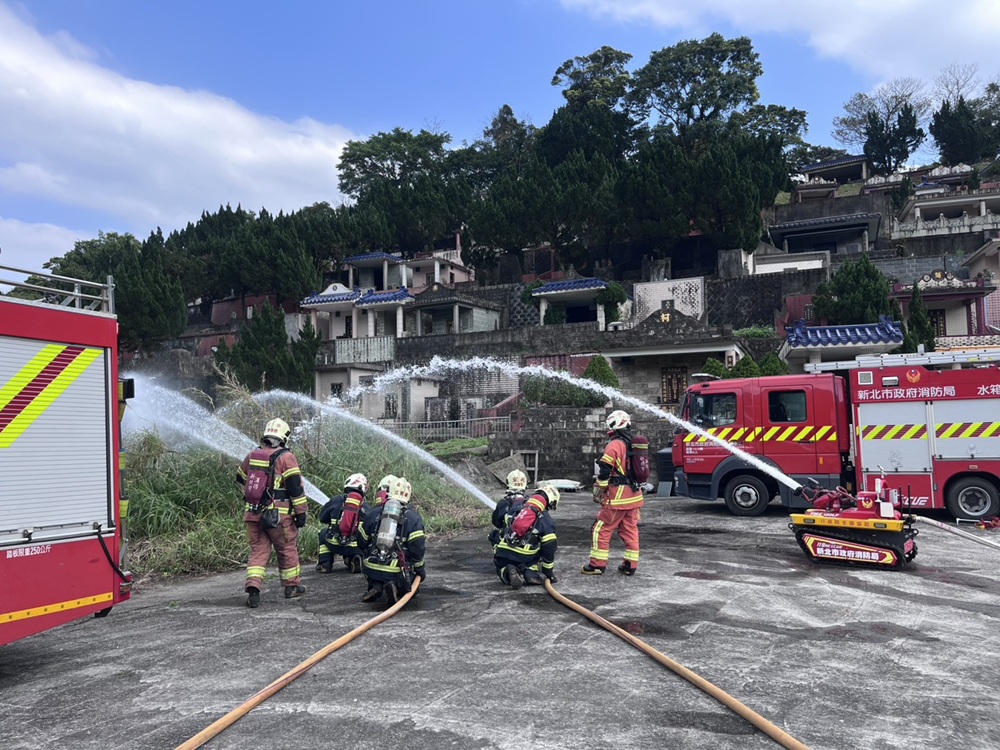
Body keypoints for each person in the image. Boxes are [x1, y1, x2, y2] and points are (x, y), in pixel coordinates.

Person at [236, 417, 309, 607]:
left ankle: (253, 588)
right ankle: (291, 587)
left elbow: (240, 476)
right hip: (279, 516)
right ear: (284, 437)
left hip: (253, 513)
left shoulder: (253, 454)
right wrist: (301, 512)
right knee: (286, 549)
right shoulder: (287, 457)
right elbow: (295, 487)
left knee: (258, 552)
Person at [582, 409, 643, 576]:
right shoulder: (635, 444)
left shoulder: (614, 444)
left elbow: (605, 470)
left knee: (601, 529)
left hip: (617, 497)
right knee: (630, 530)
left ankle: (597, 565)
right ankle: (630, 565)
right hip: (635, 496)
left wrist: (600, 488)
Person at [356, 476, 425, 604]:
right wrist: (420, 569)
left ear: (389, 492)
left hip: (371, 565)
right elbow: (417, 548)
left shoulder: (373, 512)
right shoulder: (414, 518)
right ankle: (396, 588)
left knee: (374, 565)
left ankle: (375, 585)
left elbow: (361, 542)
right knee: (413, 589)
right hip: (396, 569)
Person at [493, 482, 559, 588]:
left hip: (504, 551)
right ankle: (530, 573)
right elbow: (549, 547)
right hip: (526, 556)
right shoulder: (547, 520)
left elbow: (501, 524)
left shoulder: (516, 507)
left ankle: (507, 571)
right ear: (551, 502)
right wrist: (548, 571)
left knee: (501, 568)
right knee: (537, 552)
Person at [315, 473, 369, 574]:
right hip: (356, 547)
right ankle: (355, 559)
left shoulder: (335, 500)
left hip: (334, 543)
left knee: (323, 533)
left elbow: (322, 518)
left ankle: (325, 563)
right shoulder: (365, 506)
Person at [489, 469, 529, 549]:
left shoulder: (503, 503)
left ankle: (498, 553)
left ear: (508, 483)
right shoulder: (530, 503)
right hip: (527, 547)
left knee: (492, 535)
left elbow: (496, 523)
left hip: (507, 545)